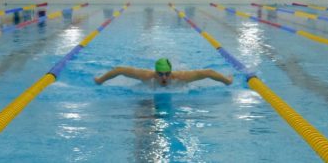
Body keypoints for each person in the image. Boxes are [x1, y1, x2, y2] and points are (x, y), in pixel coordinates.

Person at [94, 58, 233, 87]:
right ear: (155, 73)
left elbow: (208, 72)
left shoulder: (180, 77)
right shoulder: (146, 75)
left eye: (167, 73)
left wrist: (227, 81)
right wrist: (100, 80)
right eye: (160, 74)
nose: (164, 77)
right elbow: (120, 70)